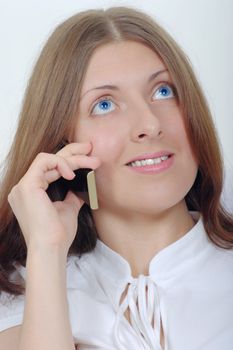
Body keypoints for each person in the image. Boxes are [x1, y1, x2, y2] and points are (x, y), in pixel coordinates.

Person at [0, 6, 233, 350]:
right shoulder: (22, 293)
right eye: (105, 105)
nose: (150, 124)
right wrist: (46, 250)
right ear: (63, 144)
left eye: (163, 91)